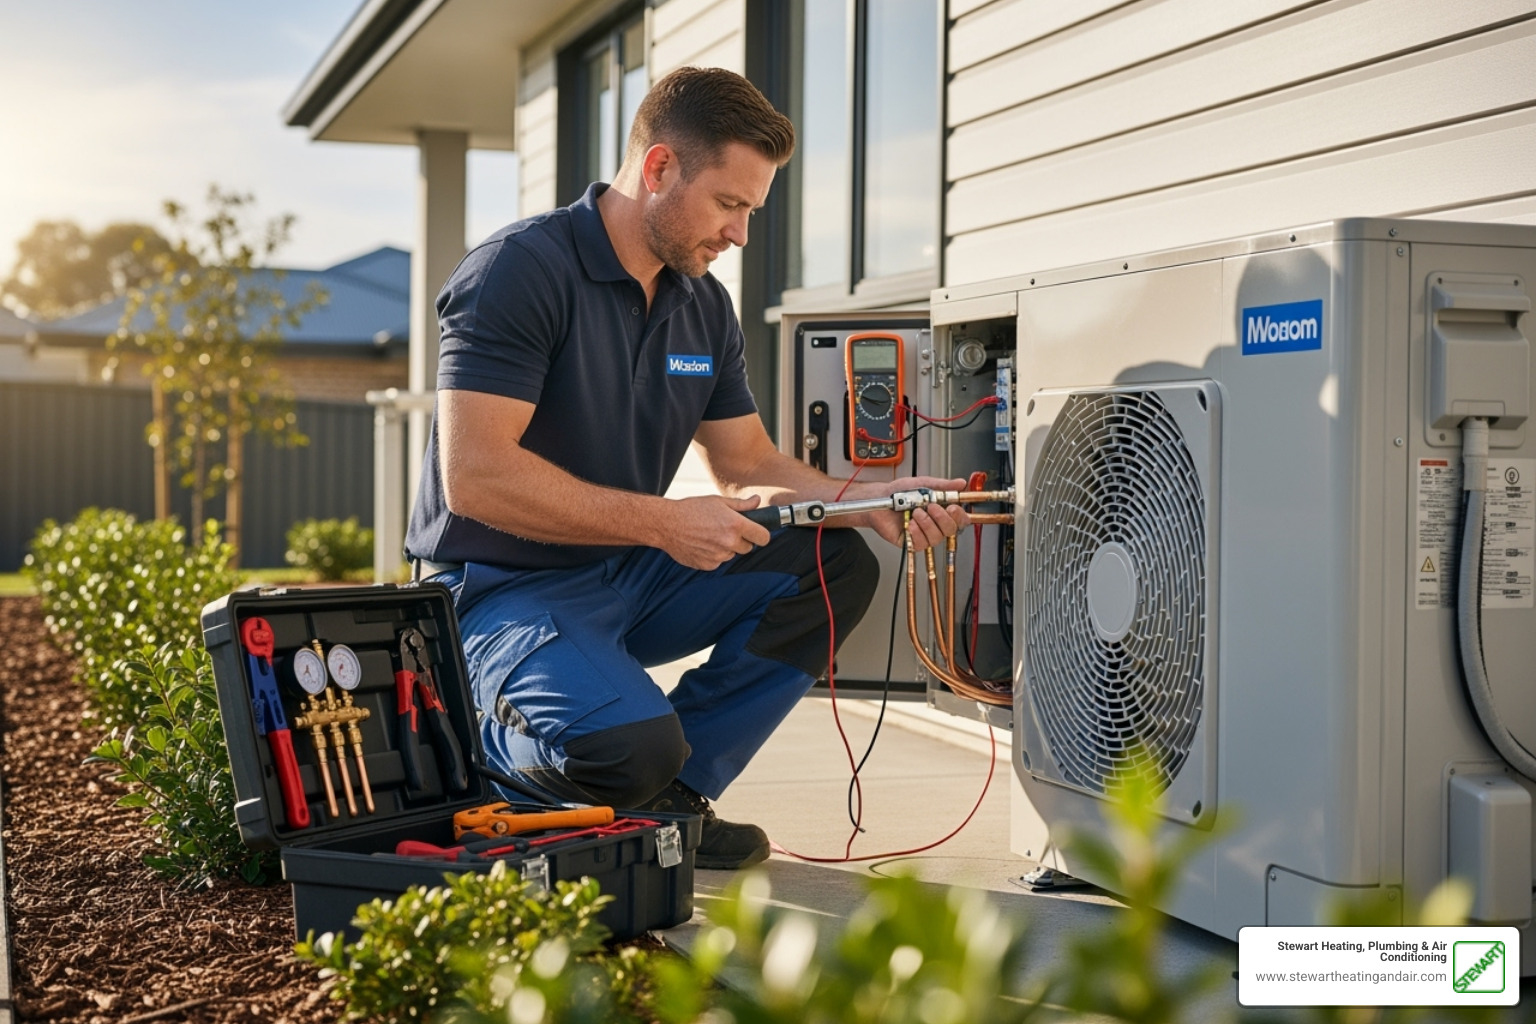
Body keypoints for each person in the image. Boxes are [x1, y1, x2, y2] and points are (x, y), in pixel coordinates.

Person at [404, 66, 969, 870]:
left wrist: (867, 497)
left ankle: (675, 795)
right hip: (498, 590)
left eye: (750, 210)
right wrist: (666, 523)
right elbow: (478, 477)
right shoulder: (518, 272)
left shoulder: (702, 303)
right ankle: (486, 747)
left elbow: (745, 463)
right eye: (729, 204)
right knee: (625, 748)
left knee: (832, 560)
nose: (740, 235)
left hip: (624, 572)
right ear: (660, 167)